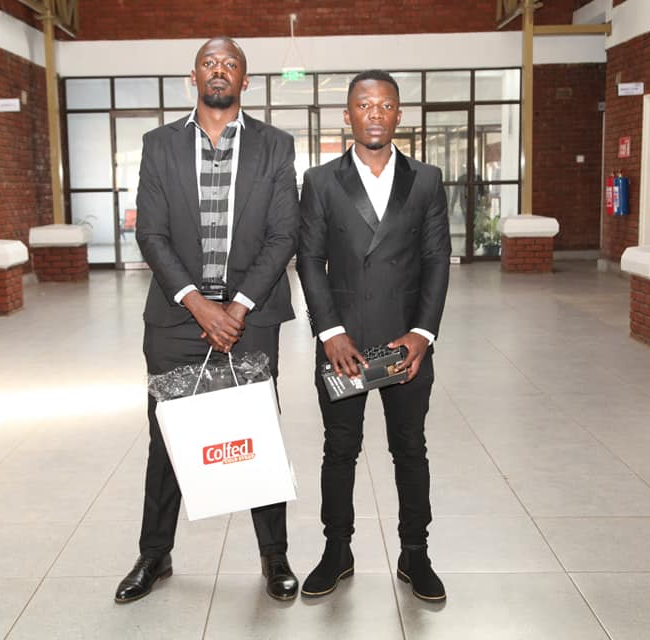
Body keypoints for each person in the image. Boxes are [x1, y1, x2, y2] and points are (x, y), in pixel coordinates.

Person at [114, 37, 300, 603]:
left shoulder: (275, 145)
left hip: (252, 318)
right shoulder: (159, 144)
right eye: (209, 64)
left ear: (245, 80)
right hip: (177, 318)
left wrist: (236, 308)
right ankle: (154, 555)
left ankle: (275, 558)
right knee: (166, 438)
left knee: (257, 434)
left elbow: (283, 235)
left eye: (230, 64)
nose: (219, 71)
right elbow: (151, 233)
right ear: (192, 77)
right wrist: (198, 303)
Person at [296, 70, 451, 602]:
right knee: (340, 451)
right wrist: (330, 332)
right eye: (365, 105)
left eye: (385, 105)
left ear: (399, 115)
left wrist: (423, 333)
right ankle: (336, 551)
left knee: (410, 449)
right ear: (348, 116)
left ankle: (415, 554)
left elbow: (436, 259)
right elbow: (310, 260)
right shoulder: (320, 181)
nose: (375, 114)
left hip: (405, 345)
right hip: (345, 346)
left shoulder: (425, 180)